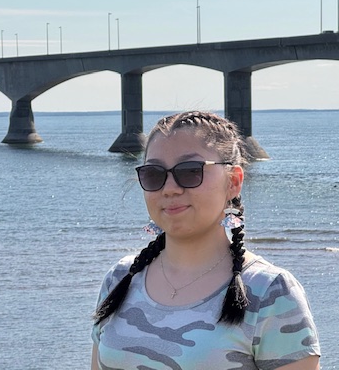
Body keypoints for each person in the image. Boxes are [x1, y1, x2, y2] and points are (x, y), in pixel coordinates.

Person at [91, 111, 321, 369]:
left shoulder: (269, 292)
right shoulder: (120, 279)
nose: (170, 188)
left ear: (233, 182)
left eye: (190, 171)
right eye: (154, 174)